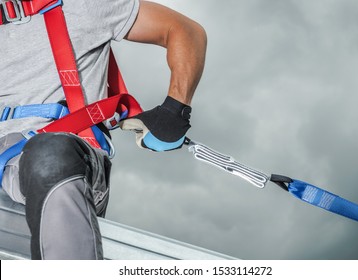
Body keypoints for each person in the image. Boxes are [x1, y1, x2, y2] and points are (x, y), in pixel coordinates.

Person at [0, 0, 207, 259]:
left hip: (61, 157)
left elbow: (184, 31)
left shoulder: (83, 5)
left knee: (49, 154)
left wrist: (174, 111)